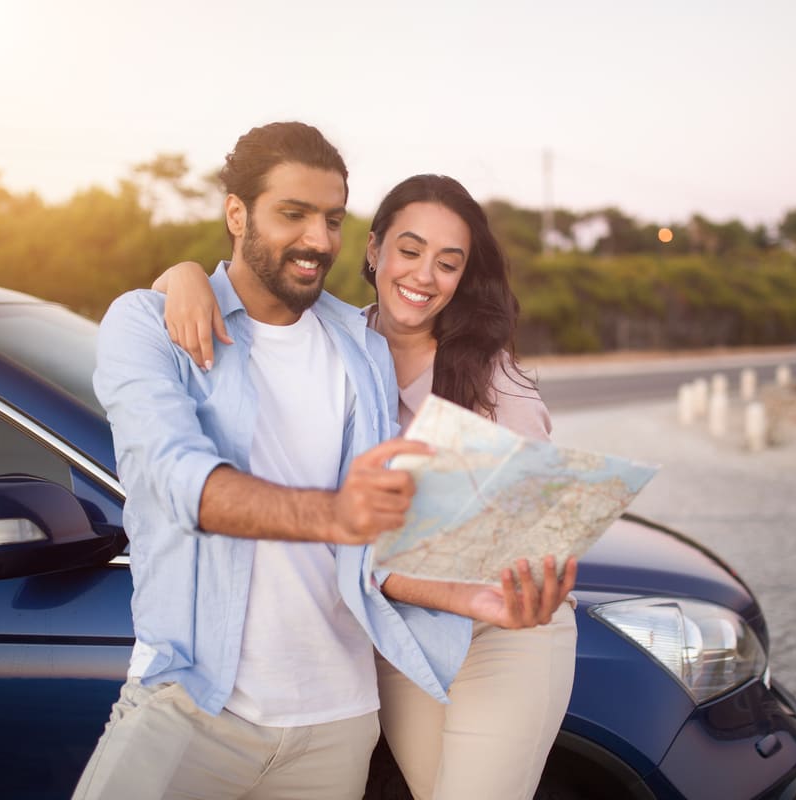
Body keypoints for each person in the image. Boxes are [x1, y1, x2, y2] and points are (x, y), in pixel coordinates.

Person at [79, 123, 573, 800]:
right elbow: (172, 479)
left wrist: (470, 593)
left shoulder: (368, 350)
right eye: (293, 214)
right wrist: (185, 275)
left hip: (357, 706)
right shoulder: (159, 323)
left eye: (330, 219)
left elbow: (375, 547)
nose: (316, 238)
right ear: (236, 213)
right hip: (197, 698)